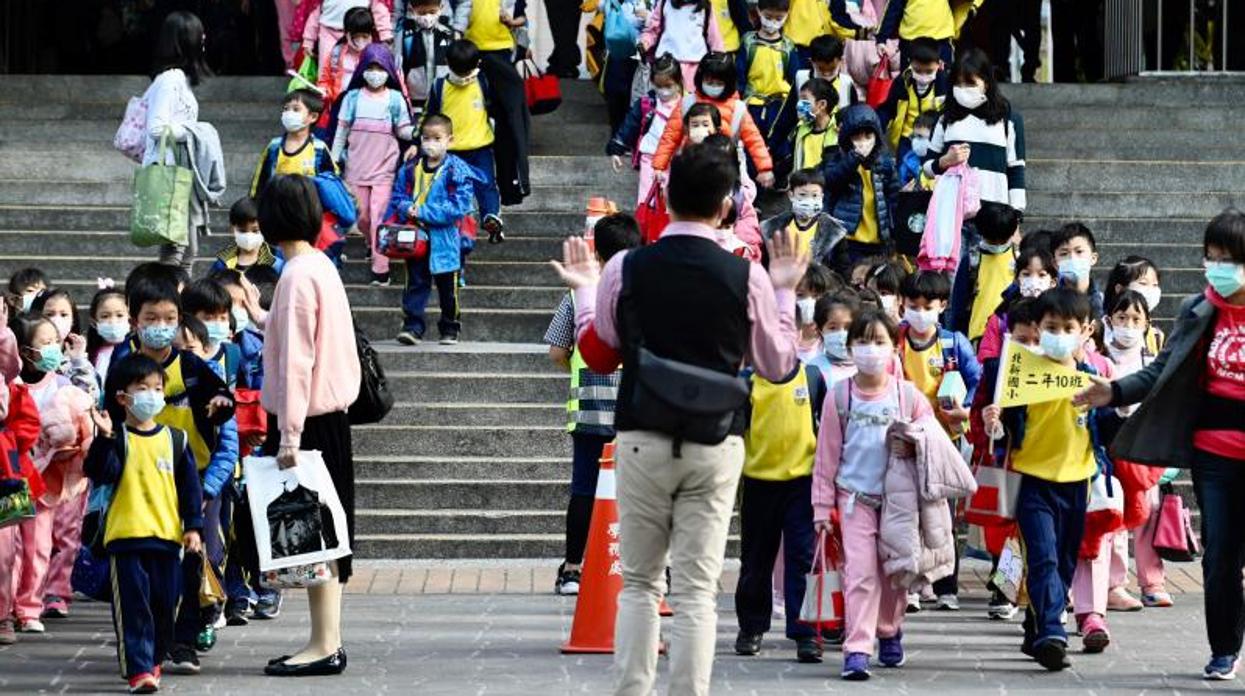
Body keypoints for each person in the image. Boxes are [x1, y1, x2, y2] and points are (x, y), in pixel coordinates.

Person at [550, 143, 807, 695]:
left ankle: (632, 689)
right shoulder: (748, 275)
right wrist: (784, 292)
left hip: (642, 433)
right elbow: (779, 365)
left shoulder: (626, 266)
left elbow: (598, 354)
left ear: (664, 198)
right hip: (716, 440)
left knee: (640, 582)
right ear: (726, 206)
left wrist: (587, 293)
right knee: (695, 589)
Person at [1076, 208, 1245, 681]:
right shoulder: (1200, 310)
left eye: (1228, 258)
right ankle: (1225, 648)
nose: (1217, 268)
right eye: (1210, 257)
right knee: (1220, 555)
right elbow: (1159, 371)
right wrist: (1113, 391)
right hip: (1214, 453)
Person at [256, 175, 361, 677]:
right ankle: (326, 640)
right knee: (326, 538)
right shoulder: (318, 266)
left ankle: (323, 645)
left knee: (314, 538)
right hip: (329, 417)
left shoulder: (296, 276)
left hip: (309, 422)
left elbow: (298, 360)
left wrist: (288, 436)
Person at [983, 287, 1108, 671]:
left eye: (1068, 327)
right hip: (1032, 479)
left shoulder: (1092, 378)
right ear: (1037, 327)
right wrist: (995, 421)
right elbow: (1001, 422)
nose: (1059, 334)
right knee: (1043, 556)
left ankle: (1037, 625)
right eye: (1051, 326)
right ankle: (1053, 631)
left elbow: (1106, 429)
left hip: (1077, 481)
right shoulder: (1020, 374)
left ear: (1086, 330)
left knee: (1065, 560)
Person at [812, 309, 933, 680]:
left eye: (879, 341)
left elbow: (932, 441)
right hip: (854, 501)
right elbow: (826, 455)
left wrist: (915, 443)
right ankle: (858, 648)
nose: (870, 350)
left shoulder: (907, 396)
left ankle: (889, 629)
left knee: (894, 576)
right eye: (862, 342)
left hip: (898, 503)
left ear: (894, 346)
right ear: (850, 347)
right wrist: (821, 506)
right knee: (860, 575)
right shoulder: (840, 396)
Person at [84, 354, 203, 694]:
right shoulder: (117, 438)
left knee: (165, 604)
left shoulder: (176, 440)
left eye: (157, 388)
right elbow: (99, 472)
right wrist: (104, 438)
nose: (152, 395)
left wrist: (193, 526)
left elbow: (190, 489)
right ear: (123, 397)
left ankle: (154, 658)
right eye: (143, 388)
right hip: (126, 538)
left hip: (167, 537)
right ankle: (138, 669)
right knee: (134, 606)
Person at [543, 213, 641, 595]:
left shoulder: (576, 291)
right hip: (635, 413)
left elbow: (556, 350)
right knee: (638, 492)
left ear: (596, 252)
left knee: (584, 489)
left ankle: (572, 568)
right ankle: (649, 569)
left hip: (588, 410)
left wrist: (581, 368)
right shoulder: (644, 293)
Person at [734, 341, 825, 664]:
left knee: (803, 559)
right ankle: (751, 627)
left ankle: (806, 633)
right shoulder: (746, 384)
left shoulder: (811, 378)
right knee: (756, 559)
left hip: (803, 484)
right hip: (759, 484)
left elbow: (826, 432)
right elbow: (735, 433)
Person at [896, 270, 979, 609]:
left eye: (926, 305)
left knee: (942, 513)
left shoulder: (953, 343)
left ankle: (946, 587)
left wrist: (966, 409)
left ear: (942, 305)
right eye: (912, 304)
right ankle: (912, 586)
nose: (919, 312)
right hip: (905, 439)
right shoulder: (894, 340)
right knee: (907, 511)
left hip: (944, 439)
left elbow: (977, 380)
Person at [8, 317, 94, 636]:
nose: (52, 349)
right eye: (44, 342)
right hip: (14, 479)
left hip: (47, 484)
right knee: (11, 548)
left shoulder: (61, 386)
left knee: (38, 546)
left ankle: (30, 606)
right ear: (25, 350)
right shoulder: (11, 386)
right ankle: (8, 606)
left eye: (55, 341)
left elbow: (86, 411)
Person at [386, 114, 481, 346]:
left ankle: (450, 327)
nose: (430, 143)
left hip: (446, 239)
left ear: (450, 139)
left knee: (448, 287)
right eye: (426, 137)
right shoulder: (410, 169)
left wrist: (423, 212)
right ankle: (412, 326)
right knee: (415, 283)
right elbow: (398, 196)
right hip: (415, 238)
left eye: (437, 138)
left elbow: (458, 206)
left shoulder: (457, 170)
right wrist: (407, 208)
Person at [332, 43, 416, 286]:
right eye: (371, 67)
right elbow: (341, 130)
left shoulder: (396, 99)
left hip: (385, 169)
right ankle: (371, 243)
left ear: (389, 70)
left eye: (380, 67)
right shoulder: (352, 98)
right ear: (362, 69)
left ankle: (381, 269)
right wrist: (335, 157)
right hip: (356, 168)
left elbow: (403, 130)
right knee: (363, 217)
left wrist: (420, 134)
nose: (375, 72)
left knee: (379, 216)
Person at [144, 11, 211, 272]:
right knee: (177, 249)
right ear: (185, 40)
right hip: (170, 172)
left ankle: (176, 306)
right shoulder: (170, 80)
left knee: (186, 249)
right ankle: (169, 305)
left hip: (180, 170)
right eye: (199, 33)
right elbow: (156, 128)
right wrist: (195, 131)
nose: (204, 38)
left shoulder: (178, 79)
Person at [922, 49, 1026, 214]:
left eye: (970, 83)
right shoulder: (945, 118)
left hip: (994, 216)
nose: (963, 89)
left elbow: (1016, 169)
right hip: (952, 214)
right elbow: (927, 168)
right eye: (958, 84)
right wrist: (944, 161)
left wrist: (1016, 214)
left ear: (986, 82)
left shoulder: (1008, 119)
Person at [651, 52, 775, 188]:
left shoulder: (738, 109)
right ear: (700, 78)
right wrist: (659, 165)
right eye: (709, 82)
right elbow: (670, 136)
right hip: (691, 168)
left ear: (728, 83)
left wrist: (764, 168)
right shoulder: (687, 103)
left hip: (724, 172)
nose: (713, 86)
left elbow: (754, 139)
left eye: (719, 83)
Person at [425, 40, 505, 244]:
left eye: (466, 71)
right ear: (447, 63)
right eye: (458, 71)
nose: (463, 77)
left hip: (480, 147)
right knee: (453, 191)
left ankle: (491, 216)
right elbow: (429, 115)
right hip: (449, 153)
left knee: (486, 185)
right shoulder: (439, 86)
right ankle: (457, 228)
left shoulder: (484, 82)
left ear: (477, 64)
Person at [458, 0, 531, 208]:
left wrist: (515, 25)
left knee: (507, 122)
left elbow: (522, 15)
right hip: (469, 53)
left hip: (502, 52)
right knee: (471, 114)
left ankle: (509, 187)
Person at [822, 104, 900, 262]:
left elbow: (894, 199)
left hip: (878, 241)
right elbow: (830, 181)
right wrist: (854, 159)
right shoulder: (836, 158)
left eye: (868, 136)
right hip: (848, 239)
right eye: (857, 137)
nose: (863, 142)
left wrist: (893, 235)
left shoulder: (885, 164)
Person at [607, 54, 685, 206]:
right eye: (658, 86)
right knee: (647, 199)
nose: (664, 91)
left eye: (668, 86)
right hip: (650, 157)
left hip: (678, 160)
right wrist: (617, 149)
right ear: (652, 83)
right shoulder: (646, 103)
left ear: (679, 81)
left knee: (675, 201)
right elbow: (630, 125)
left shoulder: (687, 104)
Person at [736, 0, 799, 171]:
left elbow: (795, 78)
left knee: (781, 147)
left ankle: (779, 179)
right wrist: (738, 100)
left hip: (780, 105)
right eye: (768, 17)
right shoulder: (748, 42)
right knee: (752, 146)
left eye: (778, 18)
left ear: (786, 16)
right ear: (758, 11)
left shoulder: (787, 46)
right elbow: (740, 75)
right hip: (753, 104)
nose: (772, 22)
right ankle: (753, 188)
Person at [949, 200, 1019, 341]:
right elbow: (959, 302)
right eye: (993, 240)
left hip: (1011, 332)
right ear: (981, 232)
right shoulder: (972, 259)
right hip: (978, 333)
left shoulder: (1019, 258)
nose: (998, 244)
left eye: (1002, 240)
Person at [250, 90, 339, 198]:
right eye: (286, 109)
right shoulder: (274, 147)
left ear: (313, 117)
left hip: (308, 209)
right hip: (276, 208)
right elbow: (259, 180)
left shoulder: (319, 149)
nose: (289, 113)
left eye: (296, 109)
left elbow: (332, 182)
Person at [760, 169, 849, 275]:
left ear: (822, 196)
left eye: (814, 195)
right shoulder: (772, 227)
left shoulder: (834, 231)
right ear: (791, 195)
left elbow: (842, 268)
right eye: (803, 195)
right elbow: (765, 264)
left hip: (819, 286)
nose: (809, 200)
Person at [976, 246, 1057, 361]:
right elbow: (987, 357)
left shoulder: (1060, 317)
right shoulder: (1000, 319)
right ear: (1017, 280)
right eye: (1026, 274)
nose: (1033, 281)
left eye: (1041, 275)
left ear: (1053, 282)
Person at [301, 2, 393, 97]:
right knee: (326, 67)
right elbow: (315, 14)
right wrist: (309, 40)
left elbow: (379, 10)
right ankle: (328, 100)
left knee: (360, 66)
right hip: (328, 32)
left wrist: (385, 33)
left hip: (359, 33)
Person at [875, 36, 947, 155]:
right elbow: (888, 108)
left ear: (939, 64)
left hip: (935, 138)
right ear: (910, 62)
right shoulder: (902, 82)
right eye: (918, 71)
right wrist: (874, 127)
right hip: (907, 138)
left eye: (929, 71)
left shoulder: (944, 83)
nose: (923, 76)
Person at [640, 0, 724, 88]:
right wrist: (645, 43)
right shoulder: (664, 3)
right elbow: (653, 30)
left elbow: (714, 38)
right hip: (665, 66)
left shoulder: (705, 7)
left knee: (690, 99)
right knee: (664, 98)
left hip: (694, 68)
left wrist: (721, 62)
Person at [394, 0, 456, 115]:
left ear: (441, 8)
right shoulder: (405, 35)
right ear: (412, 11)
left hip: (444, 99)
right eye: (422, 13)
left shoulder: (449, 34)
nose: (427, 17)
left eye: (432, 12)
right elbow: (398, 68)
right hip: (415, 102)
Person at [1102, 256, 1165, 354]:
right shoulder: (1101, 330)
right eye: (1143, 283)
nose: (1151, 290)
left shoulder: (1155, 335)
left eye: (1155, 285)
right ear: (1120, 289)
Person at [213, 197, 286, 276]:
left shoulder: (276, 264)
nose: (248, 235)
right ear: (232, 228)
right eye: (242, 231)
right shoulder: (222, 263)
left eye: (255, 231)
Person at [875, 0, 960, 66]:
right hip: (911, 42)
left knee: (943, 83)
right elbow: (893, 8)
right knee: (908, 82)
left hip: (941, 39)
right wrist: (881, 39)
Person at [1051, 222, 1104, 320]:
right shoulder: (1048, 302)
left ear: (1093, 258)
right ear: (1055, 264)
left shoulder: (1105, 303)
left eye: (1079, 252)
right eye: (1064, 254)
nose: (1072, 258)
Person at [806, 290, 860, 386]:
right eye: (833, 328)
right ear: (820, 331)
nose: (842, 334)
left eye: (848, 327)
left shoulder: (868, 365)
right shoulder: (814, 369)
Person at [86, 284, 131, 392]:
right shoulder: (89, 354)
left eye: (119, 315)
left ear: (130, 318)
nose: (112, 321)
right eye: (105, 316)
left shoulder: (136, 350)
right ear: (94, 322)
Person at [790, 77, 838, 172]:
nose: (799, 104)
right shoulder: (800, 129)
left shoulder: (838, 130)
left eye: (804, 98)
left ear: (822, 105)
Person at [897, 112, 937, 189]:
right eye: (914, 137)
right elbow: (901, 185)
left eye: (920, 136)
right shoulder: (908, 160)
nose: (915, 141)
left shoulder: (943, 163)